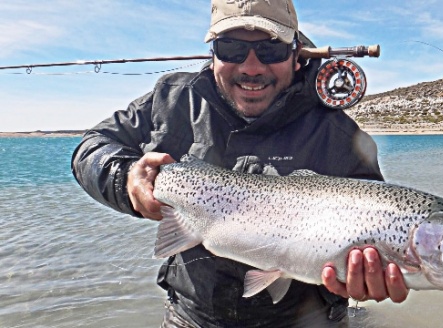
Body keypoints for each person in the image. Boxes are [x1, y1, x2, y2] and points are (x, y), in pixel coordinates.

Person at [71, 0, 409, 326]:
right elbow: (91, 148)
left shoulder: (338, 134)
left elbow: (376, 224)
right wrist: (125, 177)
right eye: (231, 49)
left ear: (296, 56)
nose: (251, 68)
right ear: (213, 54)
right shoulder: (172, 100)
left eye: (271, 50)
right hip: (191, 318)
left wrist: (367, 277)